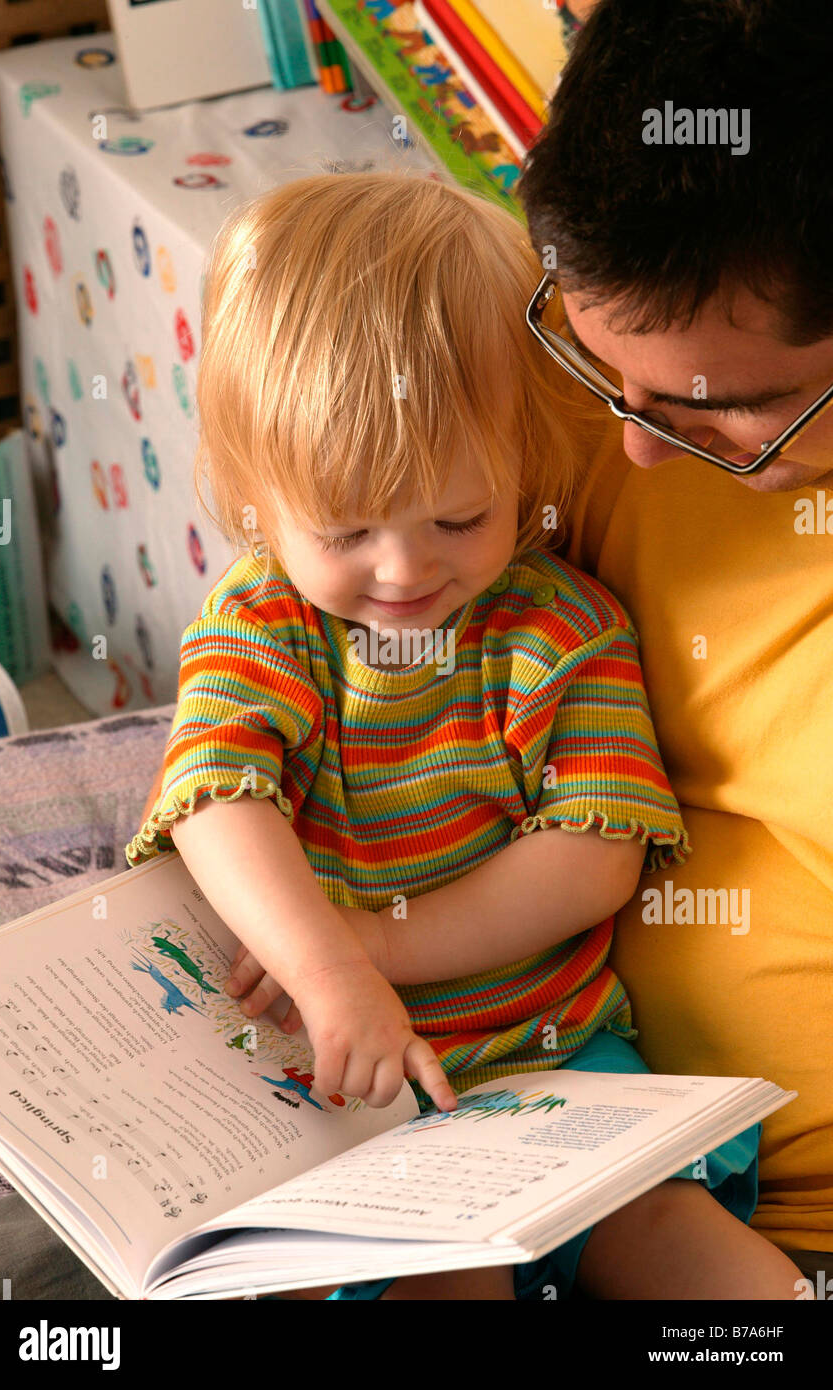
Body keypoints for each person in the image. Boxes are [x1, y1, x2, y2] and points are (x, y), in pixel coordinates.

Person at [119, 169, 801, 1301]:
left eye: (459, 517)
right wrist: (329, 970)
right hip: (360, 1113)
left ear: (528, 464)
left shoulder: (556, 626)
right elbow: (214, 798)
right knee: (448, 1282)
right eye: (345, 526)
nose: (406, 569)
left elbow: (592, 853)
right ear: (255, 497)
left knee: (719, 1271)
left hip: (559, 1075)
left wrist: (379, 947)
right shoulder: (264, 624)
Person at [515, 0, 833, 1288]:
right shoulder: (597, 379)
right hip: (516, 1150)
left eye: (728, 416)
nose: (637, 449)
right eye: (606, 376)